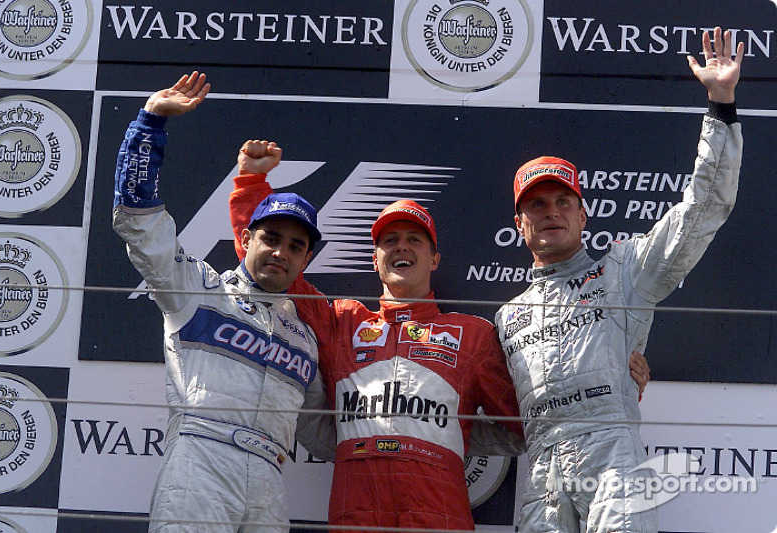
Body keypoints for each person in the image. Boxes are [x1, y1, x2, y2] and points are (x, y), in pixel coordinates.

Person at [230, 144, 651, 530]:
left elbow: (530, 420)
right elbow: (270, 270)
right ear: (374, 260)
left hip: (439, 513)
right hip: (355, 511)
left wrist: (612, 379)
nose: (402, 247)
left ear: (434, 259)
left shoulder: (474, 335)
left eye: (414, 239)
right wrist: (251, 183)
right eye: (390, 241)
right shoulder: (342, 321)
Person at [494, 27, 743, 532]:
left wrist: (720, 105)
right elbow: (489, 415)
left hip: (613, 456)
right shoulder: (507, 316)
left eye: (563, 201)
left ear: (583, 215)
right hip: (540, 472)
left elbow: (702, 209)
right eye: (536, 205)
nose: (551, 212)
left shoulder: (625, 269)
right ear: (520, 225)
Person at [113, 72, 329, 533]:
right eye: (271, 238)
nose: (281, 252)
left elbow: (325, 435)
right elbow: (139, 223)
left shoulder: (305, 338)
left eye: (295, 246)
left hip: (270, 477)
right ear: (246, 239)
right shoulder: (199, 289)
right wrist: (149, 123)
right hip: (201, 461)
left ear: (305, 260)